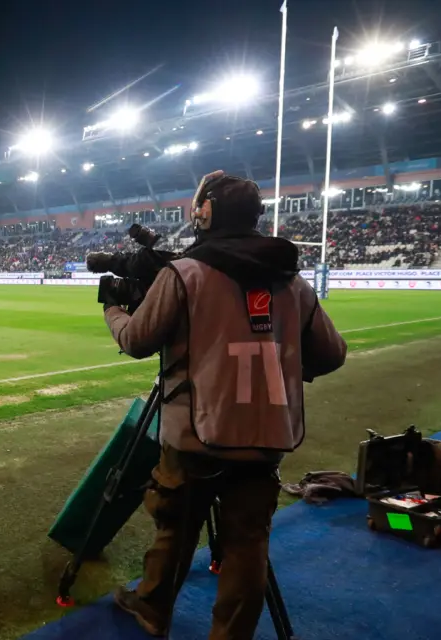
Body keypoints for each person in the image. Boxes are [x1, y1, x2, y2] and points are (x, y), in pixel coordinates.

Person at [103, 171, 348, 640]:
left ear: (206, 213)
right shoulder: (293, 282)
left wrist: (113, 309)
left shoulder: (186, 273)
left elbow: (137, 341)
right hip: (266, 434)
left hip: (195, 433)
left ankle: (152, 607)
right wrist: (280, 364)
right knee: (248, 543)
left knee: (175, 528)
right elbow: (332, 354)